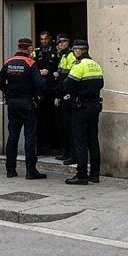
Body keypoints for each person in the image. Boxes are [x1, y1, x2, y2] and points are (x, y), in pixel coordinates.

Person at [0, 38, 46, 180]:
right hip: (27, 103)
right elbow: (40, 83)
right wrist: (43, 78)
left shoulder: (8, 62)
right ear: (29, 48)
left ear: (18, 47)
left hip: (12, 103)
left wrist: (8, 91)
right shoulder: (30, 63)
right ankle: (31, 171)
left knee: (12, 136)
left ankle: (10, 170)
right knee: (30, 137)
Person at [62, 40, 105, 185]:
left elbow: (67, 85)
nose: (74, 52)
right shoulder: (96, 65)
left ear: (80, 51)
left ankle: (81, 175)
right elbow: (101, 84)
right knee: (93, 140)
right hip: (94, 105)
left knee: (80, 142)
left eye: (74, 50)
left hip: (81, 107)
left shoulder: (79, 66)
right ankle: (95, 174)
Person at [33, 31, 60, 156]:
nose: (43, 41)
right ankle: (40, 147)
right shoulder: (37, 51)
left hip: (52, 88)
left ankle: (58, 146)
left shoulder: (56, 51)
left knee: (55, 117)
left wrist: (50, 73)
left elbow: (59, 69)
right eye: (41, 39)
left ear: (50, 39)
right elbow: (32, 67)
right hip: (40, 89)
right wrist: (39, 71)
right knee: (40, 118)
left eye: (45, 39)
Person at [54, 34, 75, 163]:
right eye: (59, 42)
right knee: (62, 125)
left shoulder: (71, 55)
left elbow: (70, 77)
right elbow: (60, 76)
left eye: (63, 42)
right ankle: (66, 151)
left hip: (68, 95)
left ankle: (73, 154)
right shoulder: (63, 56)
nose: (60, 44)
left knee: (69, 126)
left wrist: (67, 94)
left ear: (68, 42)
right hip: (62, 94)